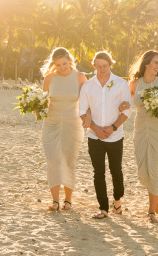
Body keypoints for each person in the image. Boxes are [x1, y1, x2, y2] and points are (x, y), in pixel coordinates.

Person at [78, 51, 132, 219]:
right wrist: (96, 129)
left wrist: (113, 128)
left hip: (115, 135)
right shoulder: (88, 86)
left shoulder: (121, 83)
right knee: (98, 172)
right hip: (94, 137)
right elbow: (81, 111)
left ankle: (117, 201)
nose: (102, 69)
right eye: (99, 66)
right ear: (94, 66)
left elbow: (127, 110)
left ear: (110, 65)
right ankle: (103, 208)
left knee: (116, 170)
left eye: (105, 66)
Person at [123, 50, 158, 223]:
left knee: (155, 168)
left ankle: (151, 210)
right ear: (147, 63)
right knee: (143, 170)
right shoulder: (134, 84)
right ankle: (156, 196)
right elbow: (126, 104)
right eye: (156, 63)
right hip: (140, 128)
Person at [40, 47, 88, 211]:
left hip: (72, 124)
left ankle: (68, 200)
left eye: (64, 64)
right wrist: (35, 108)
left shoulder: (80, 77)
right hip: (51, 123)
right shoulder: (49, 78)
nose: (62, 67)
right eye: (58, 65)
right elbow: (43, 102)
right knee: (53, 160)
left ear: (70, 61)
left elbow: (87, 102)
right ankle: (55, 200)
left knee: (68, 161)